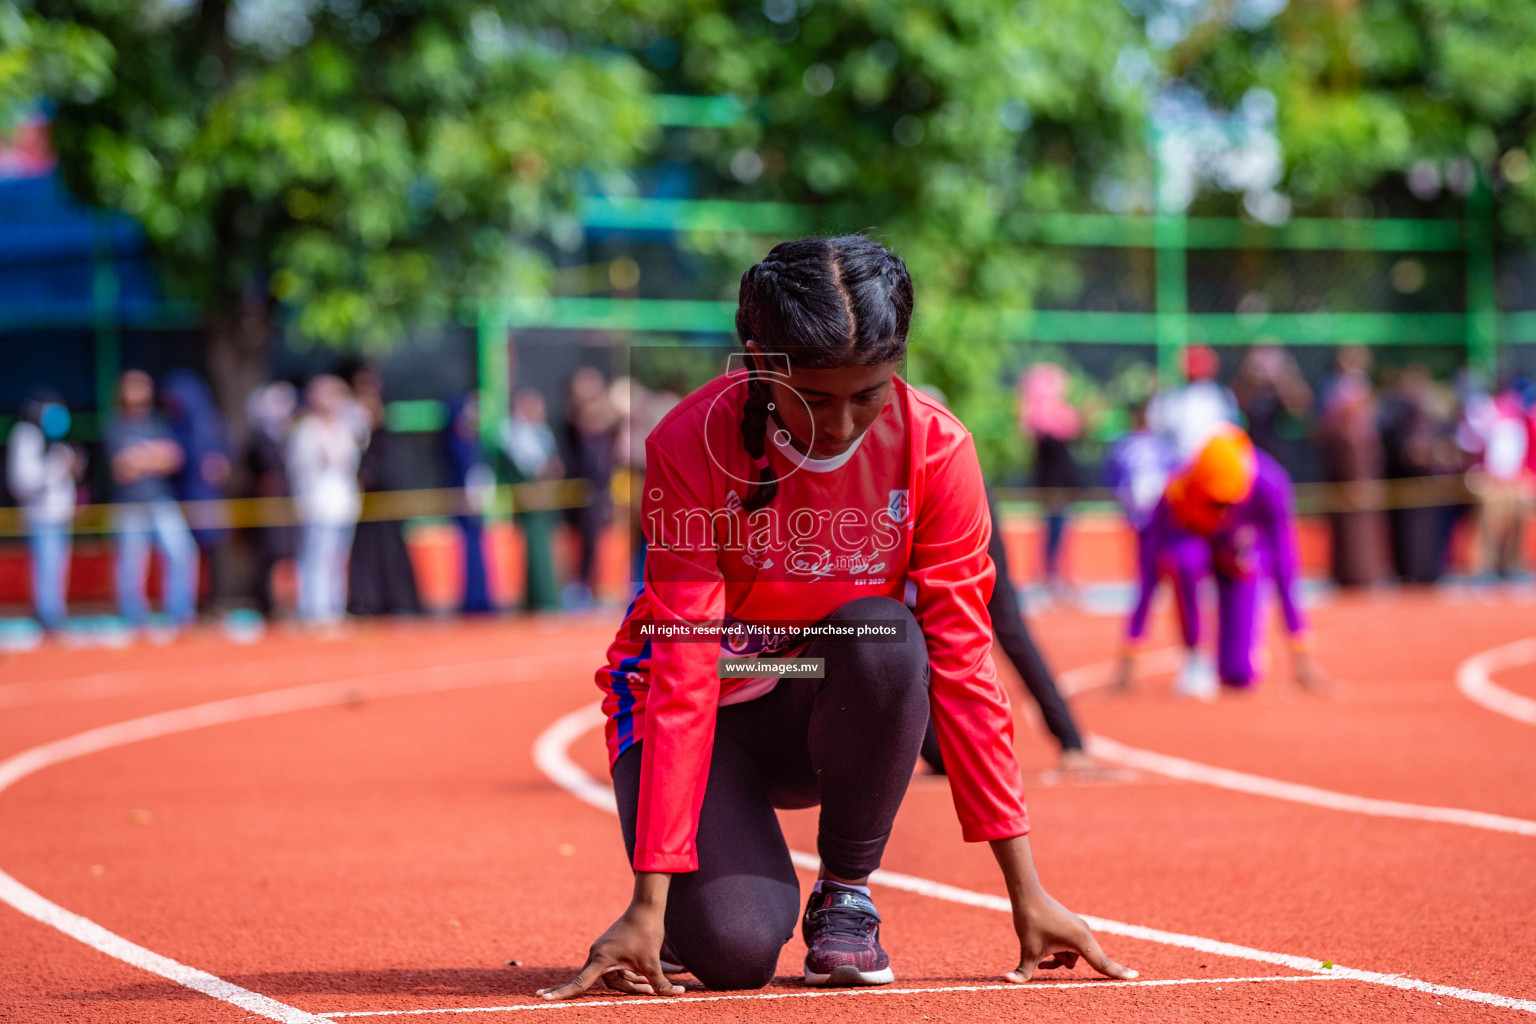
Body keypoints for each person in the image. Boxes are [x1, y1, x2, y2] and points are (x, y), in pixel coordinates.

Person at [540, 236, 1133, 1002]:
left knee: (890, 639)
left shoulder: (937, 450)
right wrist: (648, 902)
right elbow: (684, 664)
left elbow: (963, 662)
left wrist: (1030, 893)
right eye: (815, 399)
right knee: (734, 955)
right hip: (709, 700)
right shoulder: (689, 442)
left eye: (870, 395)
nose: (845, 424)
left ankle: (845, 895)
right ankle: (696, 911)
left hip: (821, 695)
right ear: (759, 363)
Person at [912, 384, 1092, 773]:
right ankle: (940, 757)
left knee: (1009, 632)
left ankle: (1071, 740)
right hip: (934, 565)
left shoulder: (958, 467)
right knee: (905, 642)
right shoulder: (901, 467)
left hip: (977, 559)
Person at [1116, 425, 1314, 698]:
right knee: (1184, 559)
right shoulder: (1178, 491)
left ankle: (1245, 649)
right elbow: (1149, 572)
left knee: (1239, 676)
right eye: (1214, 503)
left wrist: (1301, 651)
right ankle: (1194, 654)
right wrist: (1130, 654)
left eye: (1228, 504)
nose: (1222, 512)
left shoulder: (1270, 485)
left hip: (1238, 558)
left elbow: (1284, 563)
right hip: (1196, 550)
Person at [105, 369, 199, 630]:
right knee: (131, 562)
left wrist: (139, 458)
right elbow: (121, 468)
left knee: (181, 551)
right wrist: (153, 456)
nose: (138, 391)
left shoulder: (157, 424)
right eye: (132, 386)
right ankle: (133, 616)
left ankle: (180, 612)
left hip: (160, 499)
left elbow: (174, 458)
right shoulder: (115, 425)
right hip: (129, 504)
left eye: (142, 386)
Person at [345, 365, 421, 616]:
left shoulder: (384, 434)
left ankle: (395, 601)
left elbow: (388, 469)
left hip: (385, 507)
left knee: (391, 554)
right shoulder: (353, 421)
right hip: (364, 508)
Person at [286, 375, 362, 626]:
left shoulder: (345, 427)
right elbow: (299, 468)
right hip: (316, 504)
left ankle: (334, 609)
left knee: (338, 560)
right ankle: (313, 610)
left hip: (344, 504)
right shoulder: (306, 430)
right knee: (316, 557)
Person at [6, 393, 81, 631]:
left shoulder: (56, 440)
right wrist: (55, 467)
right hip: (41, 515)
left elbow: (68, 473)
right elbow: (23, 481)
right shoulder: (26, 436)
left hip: (61, 514)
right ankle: (47, 617)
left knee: (58, 567)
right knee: (46, 566)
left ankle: (54, 614)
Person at [162, 369, 232, 610]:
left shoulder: (211, 422)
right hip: (181, 496)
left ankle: (214, 600)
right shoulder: (174, 423)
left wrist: (221, 466)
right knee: (185, 552)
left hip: (207, 496)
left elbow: (224, 461)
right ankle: (189, 603)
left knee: (212, 550)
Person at [1018, 363, 1081, 596]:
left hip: (1062, 485)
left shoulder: (1059, 416)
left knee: (1060, 530)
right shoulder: (1041, 419)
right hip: (1053, 486)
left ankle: (1056, 574)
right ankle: (1051, 576)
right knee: (1054, 530)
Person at [501, 388, 563, 611]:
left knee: (546, 550)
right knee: (537, 550)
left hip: (545, 500)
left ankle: (542, 597)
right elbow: (530, 465)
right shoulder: (514, 432)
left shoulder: (540, 431)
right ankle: (542, 599)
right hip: (531, 500)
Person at [562, 366, 619, 609]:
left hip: (601, 493)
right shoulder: (572, 426)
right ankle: (579, 588)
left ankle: (595, 589)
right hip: (580, 494)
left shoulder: (606, 426)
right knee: (581, 543)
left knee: (599, 543)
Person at [244, 381, 299, 618]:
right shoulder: (259, 440)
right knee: (269, 556)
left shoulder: (287, 437)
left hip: (285, 506)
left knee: (286, 556)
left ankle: (284, 604)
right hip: (268, 508)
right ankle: (267, 604)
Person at [444, 393, 494, 613]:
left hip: (477, 501)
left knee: (480, 550)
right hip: (464, 502)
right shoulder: (456, 441)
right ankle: (473, 600)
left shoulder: (476, 439)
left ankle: (481, 598)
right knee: (470, 550)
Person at [1147, 344, 1240, 461]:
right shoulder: (1171, 396)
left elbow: (1231, 432)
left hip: (1213, 460)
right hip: (1179, 462)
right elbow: (1157, 431)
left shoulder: (1222, 395)